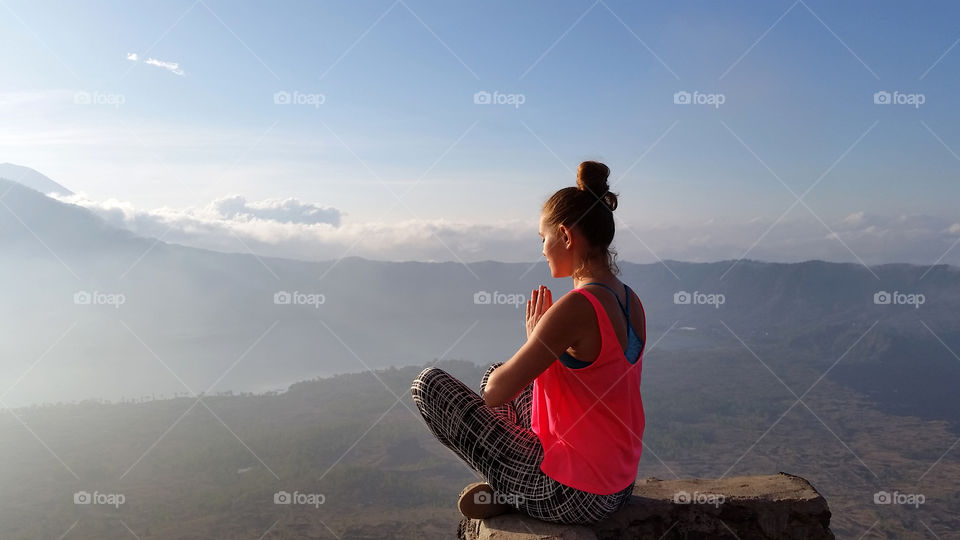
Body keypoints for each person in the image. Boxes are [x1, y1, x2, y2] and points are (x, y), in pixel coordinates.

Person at [410, 160, 646, 525]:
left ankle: (514, 491)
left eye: (543, 239)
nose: (542, 250)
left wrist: (537, 339)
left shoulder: (578, 307)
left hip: (573, 493)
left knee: (429, 385)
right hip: (618, 483)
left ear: (566, 237)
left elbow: (494, 395)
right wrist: (543, 346)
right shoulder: (630, 299)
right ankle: (515, 486)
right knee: (496, 371)